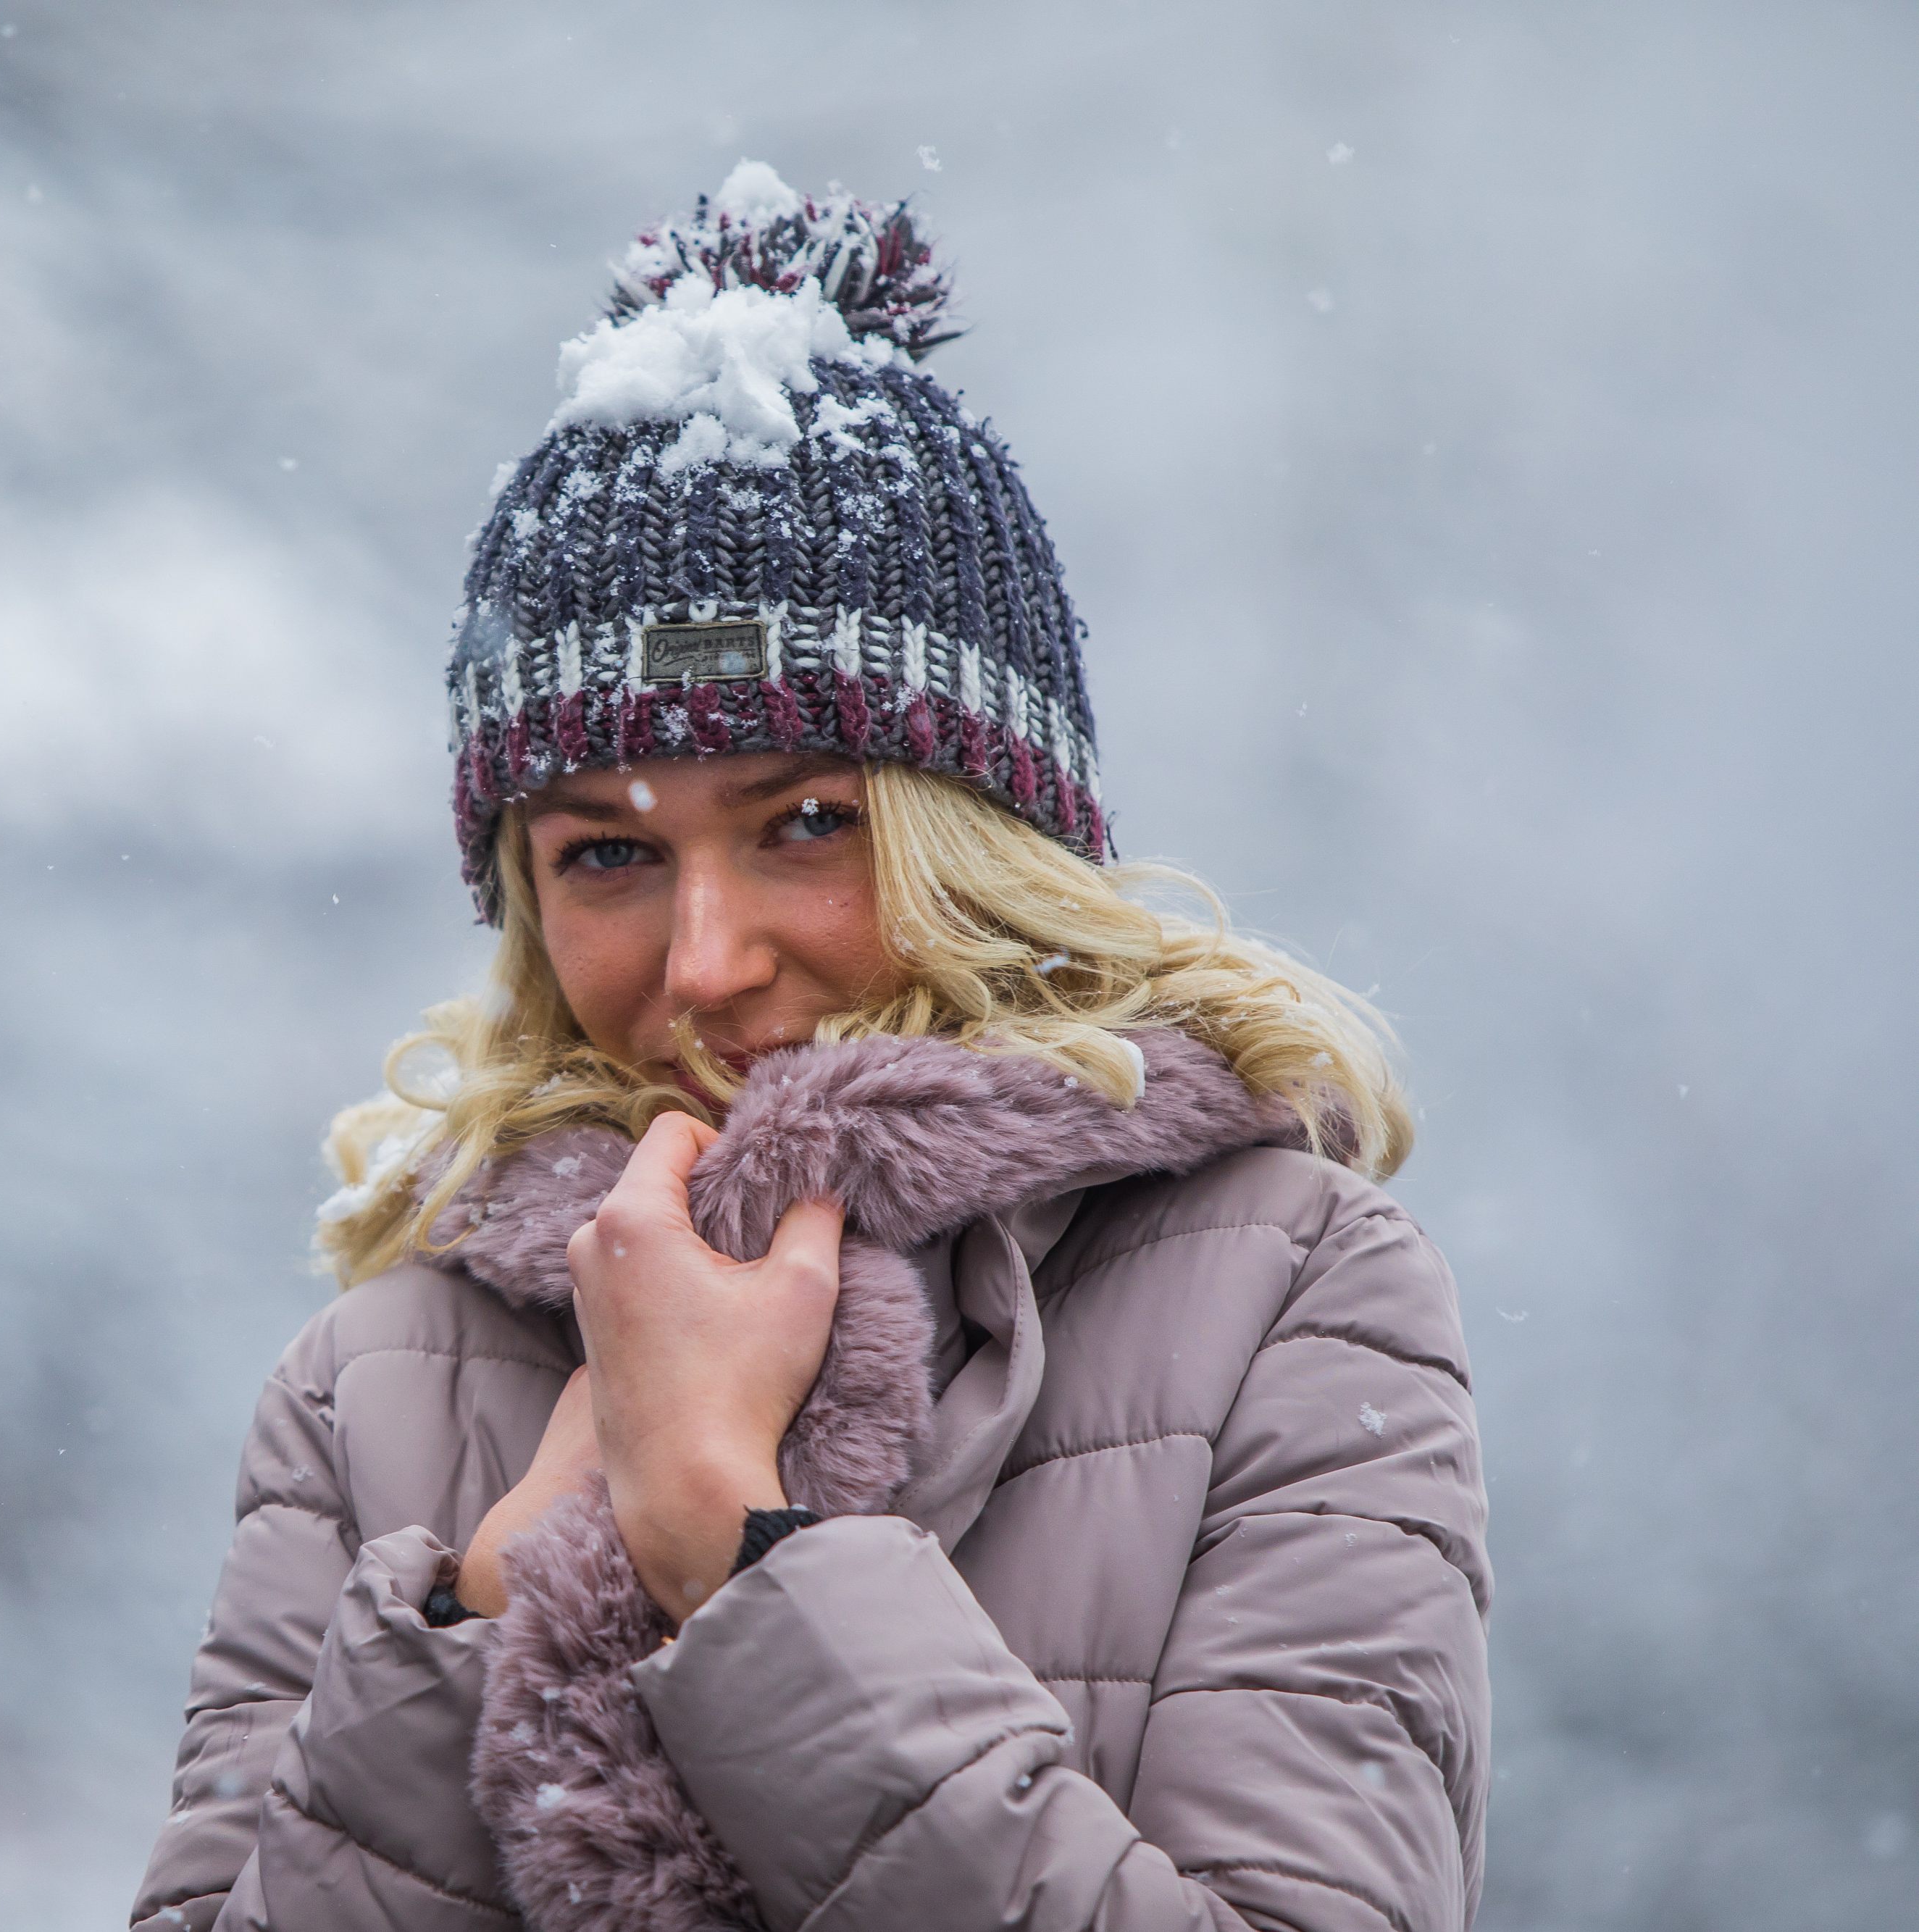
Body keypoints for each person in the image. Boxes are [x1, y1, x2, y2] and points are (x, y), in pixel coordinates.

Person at [130, 163, 1490, 1932]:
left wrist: (732, 1549)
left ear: (974, 837)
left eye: (805, 822)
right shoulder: (368, 1384)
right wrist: (476, 1615)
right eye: (606, 853)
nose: (706, 960)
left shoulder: (1289, 1297)